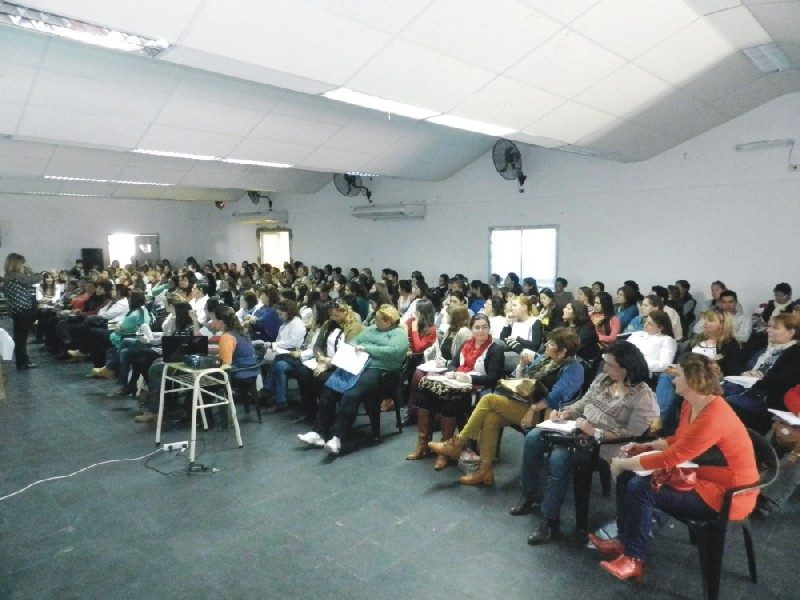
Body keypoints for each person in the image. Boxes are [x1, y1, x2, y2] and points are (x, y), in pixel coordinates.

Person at [593, 354, 758, 583]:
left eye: (678, 375)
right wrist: (646, 446)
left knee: (641, 488)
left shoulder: (714, 416)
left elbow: (672, 457)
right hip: (705, 475)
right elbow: (680, 440)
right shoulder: (691, 404)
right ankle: (624, 540)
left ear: (692, 381)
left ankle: (634, 558)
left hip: (729, 493)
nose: (673, 379)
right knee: (629, 478)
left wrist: (621, 463)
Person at [519, 341, 659, 544]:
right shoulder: (603, 379)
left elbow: (634, 433)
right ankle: (529, 495)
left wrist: (596, 432)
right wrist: (565, 413)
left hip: (606, 444)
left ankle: (549, 520)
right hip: (579, 431)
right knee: (533, 437)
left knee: (559, 458)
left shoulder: (642, 395)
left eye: (610, 365)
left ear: (627, 368)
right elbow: (584, 402)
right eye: (605, 363)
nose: (605, 369)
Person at [425, 329, 584, 485]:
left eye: (551, 343)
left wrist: (531, 409)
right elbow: (522, 381)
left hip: (547, 414)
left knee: (488, 400)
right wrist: (522, 364)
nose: (547, 345)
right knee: (491, 418)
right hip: (524, 402)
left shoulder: (574, 369)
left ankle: (457, 444)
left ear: (563, 351)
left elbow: (554, 399)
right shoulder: (545, 359)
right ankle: (485, 472)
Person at [297, 304, 409, 455]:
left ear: (387, 322)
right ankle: (318, 432)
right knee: (330, 387)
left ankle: (337, 437)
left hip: (378, 370)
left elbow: (393, 351)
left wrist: (367, 348)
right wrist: (368, 348)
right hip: (358, 364)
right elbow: (354, 343)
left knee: (351, 394)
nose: (374, 322)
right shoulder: (371, 329)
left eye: (377, 319)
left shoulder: (398, 334)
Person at [415, 314, 504, 469]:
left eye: (484, 327)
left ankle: (445, 450)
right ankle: (423, 443)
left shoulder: (495, 349)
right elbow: (454, 363)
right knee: (425, 396)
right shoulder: (466, 344)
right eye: (477, 327)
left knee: (450, 401)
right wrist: (452, 372)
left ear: (489, 329)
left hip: (478, 390)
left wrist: (469, 378)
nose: (481, 331)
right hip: (457, 384)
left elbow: (493, 378)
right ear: (471, 329)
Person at [724, 312, 800, 434]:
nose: (768, 330)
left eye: (775, 328)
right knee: (705, 392)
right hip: (738, 386)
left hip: (763, 398)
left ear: (791, 332)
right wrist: (744, 373)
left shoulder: (795, 354)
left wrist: (759, 380)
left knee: (722, 403)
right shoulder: (760, 341)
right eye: (769, 326)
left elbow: (782, 383)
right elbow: (734, 362)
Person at [261, 299, 308, 413]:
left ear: (288, 311)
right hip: (285, 356)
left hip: (296, 357)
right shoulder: (284, 325)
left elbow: (293, 343)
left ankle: (267, 390)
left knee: (279, 362)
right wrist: (274, 346)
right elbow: (280, 342)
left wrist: (273, 345)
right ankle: (280, 401)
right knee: (279, 365)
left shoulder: (297, 323)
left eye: (281, 314)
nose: (280, 317)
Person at [2, 253, 40, 369]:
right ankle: (23, 362)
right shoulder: (17, 276)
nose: (23, 266)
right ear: (17, 264)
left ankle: (21, 361)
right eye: (22, 263)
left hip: (15, 310)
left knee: (19, 337)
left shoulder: (7, 276)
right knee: (21, 338)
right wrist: (31, 271)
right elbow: (36, 279)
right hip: (23, 310)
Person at [626, 311, 677, 376]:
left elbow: (665, 365)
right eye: (646, 321)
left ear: (660, 328)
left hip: (641, 371)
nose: (645, 325)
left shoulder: (666, 340)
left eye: (650, 324)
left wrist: (638, 363)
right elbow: (623, 349)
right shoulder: (637, 334)